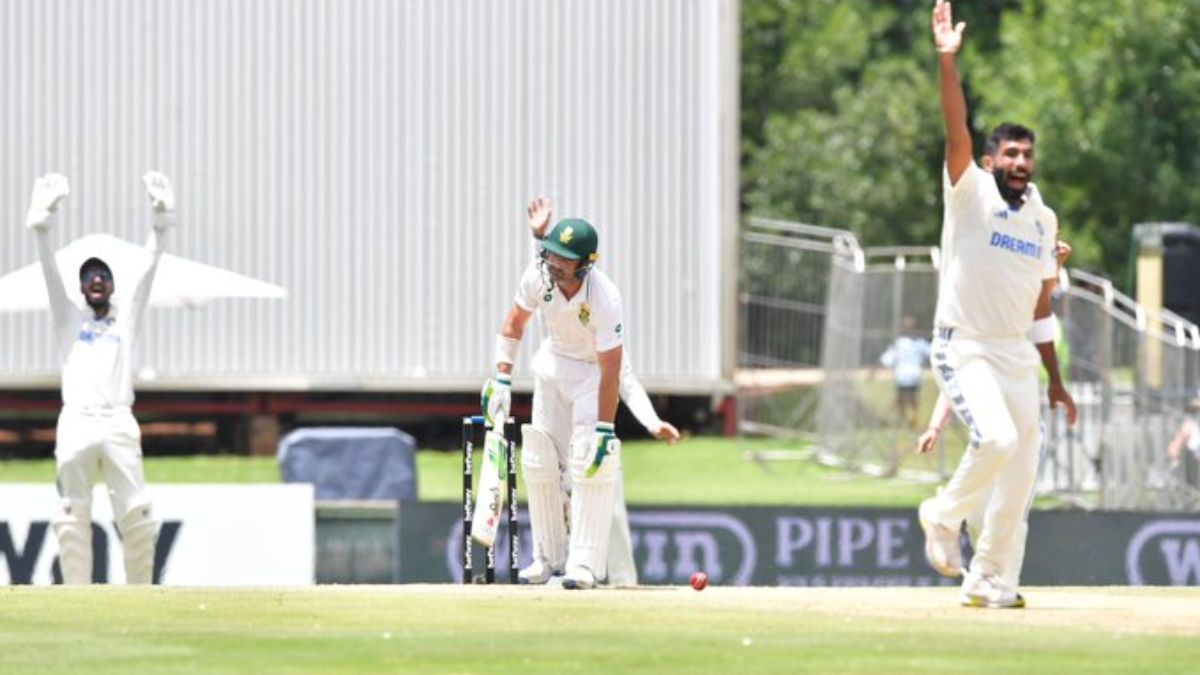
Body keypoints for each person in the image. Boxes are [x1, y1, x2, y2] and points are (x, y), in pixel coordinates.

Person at [919, 0, 1077, 609]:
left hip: (1017, 356)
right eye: (1009, 154)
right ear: (990, 161)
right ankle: (941, 512)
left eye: (1026, 155)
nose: (1019, 163)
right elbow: (955, 125)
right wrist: (947, 60)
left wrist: (1056, 380)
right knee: (998, 441)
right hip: (966, 344)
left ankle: (988, 578)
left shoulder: (1043, 219)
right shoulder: (969, 192)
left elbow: (1042, 309)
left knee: (1021, 475)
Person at [26, 171, 176, 585]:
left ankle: (140, 595)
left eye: (103, 275)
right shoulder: (68, 316)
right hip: (76, 419)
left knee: (138, 513)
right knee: (72, 511)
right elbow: (48, 271)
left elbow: (147, 271)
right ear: (80, 286)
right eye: (89, 275)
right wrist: (42, 223)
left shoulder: (124, 319)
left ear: (111, 284)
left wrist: (162, 222)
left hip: (117, 420)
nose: (96, 279)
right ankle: (78, 597)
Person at [521, 197, 680, 587]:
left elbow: (625, 383)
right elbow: (550, 279)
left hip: (597, 421)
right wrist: (540, 235)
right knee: (555, 476)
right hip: (566, 396)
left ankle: (621, 579)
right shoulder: (563, 296)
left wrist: (653, 422)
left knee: (603, 500)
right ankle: (563, 562)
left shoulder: (607, 339)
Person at [481, 208, 628, 590]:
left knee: (587, 460)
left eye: (564, 258)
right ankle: (547, 558)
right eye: (550, 253)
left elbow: (612, 368)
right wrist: (501, 379)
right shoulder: (538, 275)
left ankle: (583, 565)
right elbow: (514, 325)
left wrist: (606, 429)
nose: (554, 263)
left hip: (590, 375)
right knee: (539, 458)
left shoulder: (605, 297)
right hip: (551, 367)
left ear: (585, 265)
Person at [879, 315, 931, 430]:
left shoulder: (910, 343)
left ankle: (908, 421)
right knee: (905, 401)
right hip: (908, 376)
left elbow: (887, 359)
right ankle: (909, 421)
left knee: (906, 401)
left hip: (907, 376)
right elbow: (931, 352)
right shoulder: (907, 343)